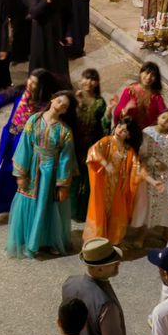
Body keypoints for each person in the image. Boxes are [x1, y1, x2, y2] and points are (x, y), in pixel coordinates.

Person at [0, 69, 57, 215]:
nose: (30, 84)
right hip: (9, 138)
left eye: (34, 83)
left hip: (26, 142)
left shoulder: (44, 104)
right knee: (1, 169)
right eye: (30, 79)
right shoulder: (20, 92)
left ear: (41, 86)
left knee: (20, 172)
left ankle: (20, 206)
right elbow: (0, 100)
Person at [7, 91, 78, 258]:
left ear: (65, 111)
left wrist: (63, 185)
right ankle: (27, 240)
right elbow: (25, 145)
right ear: (52, 99)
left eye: (64, 105)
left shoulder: (65, 131)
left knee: (47, 205)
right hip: (32, 168)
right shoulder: (34, 120)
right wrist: (21, 174)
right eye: (59, 101)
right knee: (29, 202)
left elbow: (66, 159)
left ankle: (47, 241)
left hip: (51, 173)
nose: (60, 105)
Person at [84, 118, 144, 246]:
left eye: (125, 130)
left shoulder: (129, 150)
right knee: (100, 211)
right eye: (120, 126)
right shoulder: (107, 141)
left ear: (129, 135)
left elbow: (136, 168)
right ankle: (97, 241)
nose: (121, 129)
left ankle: (112, 241)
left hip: (119, 187)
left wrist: (146, 177)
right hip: (104, 183)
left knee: (116, 213)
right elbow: (93, 151)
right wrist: (105, 164)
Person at [69, 68, 108, 224]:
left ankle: (85, 210)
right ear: (81, 79)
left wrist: (110, 114)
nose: (89, 82)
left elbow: (102, 124)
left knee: (88, 178)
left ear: (97, 83)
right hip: (74, 143)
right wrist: (78, 104)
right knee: (74, 176)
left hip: (91, 144)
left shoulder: (100, 102)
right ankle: (71, 210)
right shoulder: (72, 98)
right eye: (86, 78)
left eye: (93, 79)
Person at [26, 0, 74, 82]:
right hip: (40, 35)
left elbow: (69, 15)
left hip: (58, 34)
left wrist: (68, 33)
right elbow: (34, 13)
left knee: (58, 64)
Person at [113, 61, 166, 128]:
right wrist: (126, 109)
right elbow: (117, 114)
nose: (148, 77)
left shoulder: (157, 97)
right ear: (140, 73)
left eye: (153, 75)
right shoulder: (129, 91)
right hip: (130, 130)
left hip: (149, 132)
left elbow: (164, 114)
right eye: (147, 73)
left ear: (156, 79)